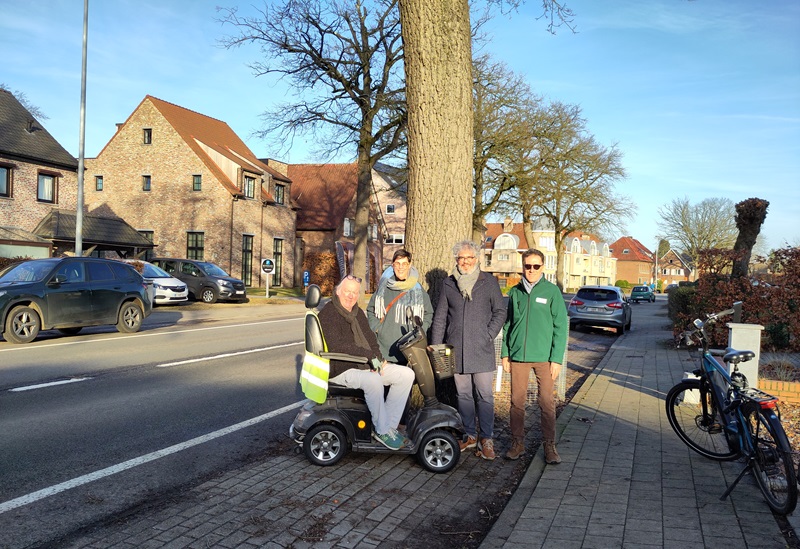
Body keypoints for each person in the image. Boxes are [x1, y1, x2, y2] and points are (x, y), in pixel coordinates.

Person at [318, 275, 415, 450]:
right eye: (347, 291)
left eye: (355, 292)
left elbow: (371, 339)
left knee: (406, 374)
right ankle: (382, 428)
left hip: (363, 363)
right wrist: (369, 358)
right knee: (374, 380)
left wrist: (379, 360)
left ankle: (387, 428)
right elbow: (338, 346)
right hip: (341, 368)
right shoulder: (328, 313)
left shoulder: (357, 312)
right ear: (338, 291)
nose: (350, 296)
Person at [431, 240, 506, 460]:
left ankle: (487, 438)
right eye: (461, 258)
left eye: (469, 258)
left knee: (485, 395)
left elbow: (500, 312)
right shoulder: (448, 284)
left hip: (482, 349)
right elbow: (440, 317)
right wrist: (437, 346)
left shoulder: (489, 282)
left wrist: (488, 334)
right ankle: (470, 435)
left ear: (477, 259)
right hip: (456, 350)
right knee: (463, 395)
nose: (464, 262)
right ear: (456, 260)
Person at [501, 248, 568, 464]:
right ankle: (517, 443)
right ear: (522, 267)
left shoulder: (552, 292)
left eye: (535, 266)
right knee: (516, 402)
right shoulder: (514, 292)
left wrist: (557, 359)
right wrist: (505, 354)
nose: (531, 270)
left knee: (547, 402)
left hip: (545, 359)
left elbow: (560, 326)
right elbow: (508, 325)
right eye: (527, 266)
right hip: (518, 356)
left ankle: (549, 446)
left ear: (542, 267)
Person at [367, 249, 434, 364]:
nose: (401, 267)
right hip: (384, 349)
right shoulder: (384, 287)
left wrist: (420, 331)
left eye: (404, 264)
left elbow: (428, 313)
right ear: (393, 265)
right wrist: (378, 329)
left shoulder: (418, 289)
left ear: (409, 265)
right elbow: (371, 310)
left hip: (409, 349)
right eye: (397, 263)